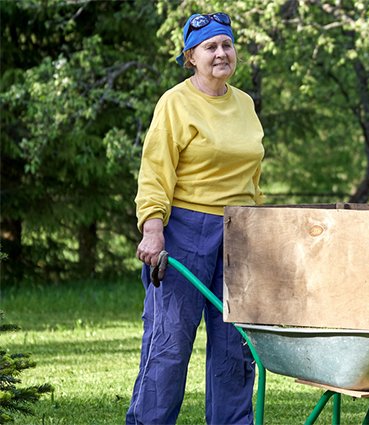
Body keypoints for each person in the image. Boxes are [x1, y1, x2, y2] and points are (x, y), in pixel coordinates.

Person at [126, 11, 264, 425]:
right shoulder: (175, 103)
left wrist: (262, 228)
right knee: (169, 344)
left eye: (227, 45)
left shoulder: (245, 103)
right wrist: (153, 229)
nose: (221, 53)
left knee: (235, 348)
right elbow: (155, 170)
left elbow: (251, 175)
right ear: (191, 57)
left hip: (238, 233)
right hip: (186, 231)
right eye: (210, 47)